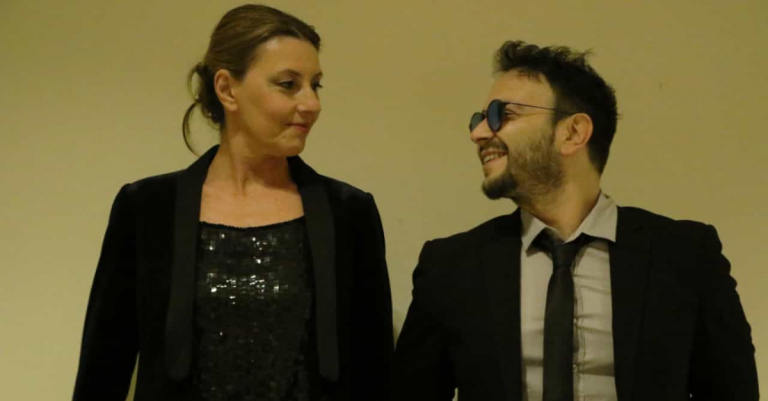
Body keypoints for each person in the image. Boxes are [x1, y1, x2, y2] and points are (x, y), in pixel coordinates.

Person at [391, 41, 758, 400]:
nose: (479, 133)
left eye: (503, 114)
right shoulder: (451, 266)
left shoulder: (685, 256)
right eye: (479, 119)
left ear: (573, 132)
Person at [73, 5, 393, 400]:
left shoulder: (349, 212)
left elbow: (375, 372)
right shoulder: (146, 209)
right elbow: (104, 366)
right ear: (227, 89)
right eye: (289, 84)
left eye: (316, 85)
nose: (312, 103)